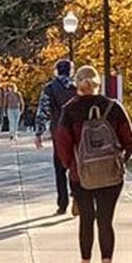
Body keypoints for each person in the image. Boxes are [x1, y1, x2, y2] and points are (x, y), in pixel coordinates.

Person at [54, 66, 132, 263]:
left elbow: (61, 143)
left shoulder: (70, 110)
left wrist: (71, 166)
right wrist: (120, 162)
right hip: (111, 174)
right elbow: (129, 140)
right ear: (98, 84)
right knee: (106, 220)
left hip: (82, 174)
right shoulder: (113, 107)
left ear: (77, 85)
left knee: (86, 218)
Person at [36, 60, 77, 215]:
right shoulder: (77, 87)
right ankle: (77, 195)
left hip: (59, 132)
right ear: (71, 71)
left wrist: (39, 133)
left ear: (56, 71)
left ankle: (62, 203)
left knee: (60, 170)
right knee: (75, 166)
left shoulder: (49, 88)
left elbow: (43, 111)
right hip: (77, 132)